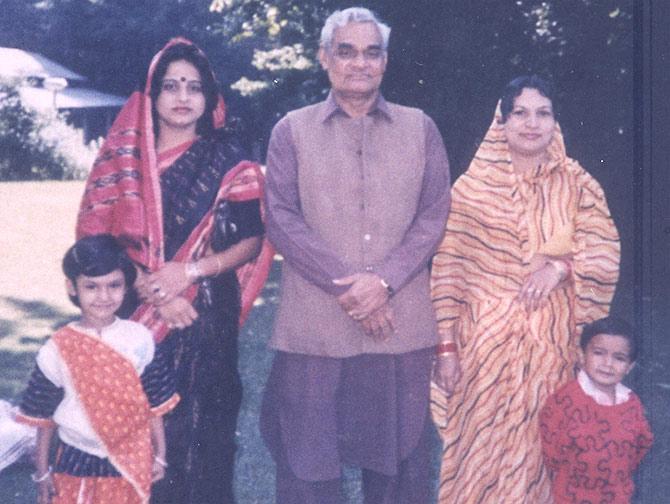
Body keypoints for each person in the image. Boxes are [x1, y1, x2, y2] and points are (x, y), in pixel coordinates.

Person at [260, 7, 451, 503]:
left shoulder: (420, 128)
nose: (359, 63)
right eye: (346, 51)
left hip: (400, 328)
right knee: (307, 467)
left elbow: (433, 215)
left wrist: (383, 282)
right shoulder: (291, 131)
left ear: (385, 62)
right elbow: (280, 215)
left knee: (400, 473)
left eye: (372, 52)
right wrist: (354, 288)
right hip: (314, 331)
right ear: (325, 59)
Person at [75, 39, 273, 503]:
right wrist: (150, 287)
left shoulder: (229, 161)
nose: (183, 98)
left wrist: (191, 270)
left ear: (209, 98)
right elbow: (94, 239)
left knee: (203, 438)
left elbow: (252, 240)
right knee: (131, 440)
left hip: (205, 320)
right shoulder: (121, 163)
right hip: (129, 320)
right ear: (152, 93)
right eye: (171, 86)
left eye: (194, 87)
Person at [430, 75, 621, 502]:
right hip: (482, 353)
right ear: (502, 120)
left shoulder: (578, 184)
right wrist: (445, 349)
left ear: (555, 121)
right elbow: (447, 269)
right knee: (478, 456)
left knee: (543, 456)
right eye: (520, 112)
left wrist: (561, 269)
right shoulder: (470, 191)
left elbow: (605, 252)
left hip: (550, 352)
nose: (531, 123)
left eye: (543, 113)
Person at [16, 234, 179, 504]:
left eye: (114, 285)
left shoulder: (140, 339)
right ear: (72, 287)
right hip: (75, 457)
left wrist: (160, 454)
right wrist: (42, 473)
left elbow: (154, 406)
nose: (104, 296)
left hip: (130, 459)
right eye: (91, 287)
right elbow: (44, 419)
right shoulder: (57, 348)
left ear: (126, 286)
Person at [540, 316, 653, 503]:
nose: (608, 364)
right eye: (599, 353)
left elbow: (642, 442)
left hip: (617, 496)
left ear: (629, 367)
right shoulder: (565, 400)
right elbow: (553, 453)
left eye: (619, 358)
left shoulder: (631, 402)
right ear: (582, 356)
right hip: (572, 496)